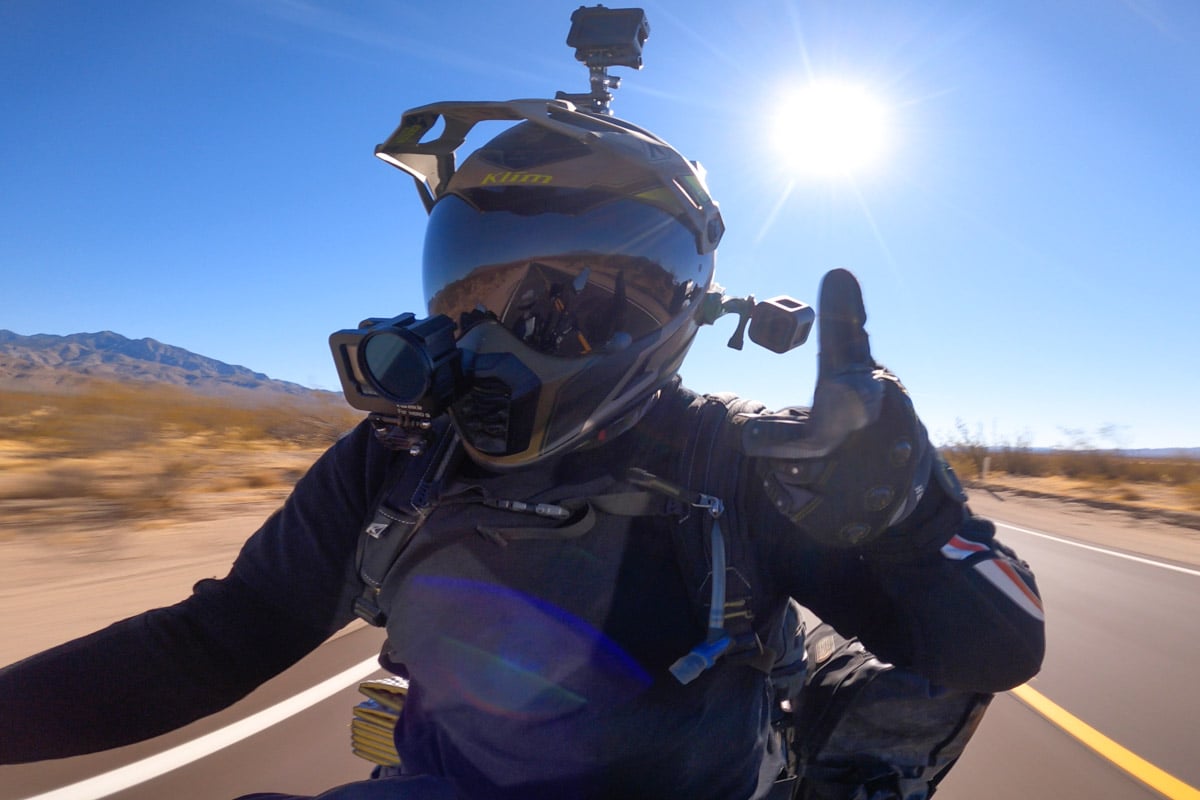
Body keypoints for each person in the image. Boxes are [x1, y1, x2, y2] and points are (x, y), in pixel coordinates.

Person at [0, 91, 1044, 800]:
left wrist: (913, 522)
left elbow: (995, 647)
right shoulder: (401, 459)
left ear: (668, 310)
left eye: (560, 302)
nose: (493, 336)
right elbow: (221, 638)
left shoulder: (741, 463)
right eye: (472, 292)